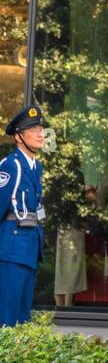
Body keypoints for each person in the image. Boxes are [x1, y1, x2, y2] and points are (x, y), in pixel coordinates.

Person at [0, 104, 47, 327]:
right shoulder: (11, 166)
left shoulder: (36, 167)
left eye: (42, 128)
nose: (41, 133)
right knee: (7, 317)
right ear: (19, 136)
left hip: (28, 249)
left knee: (22, 318)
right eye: (34, 129)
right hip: (11, 251)